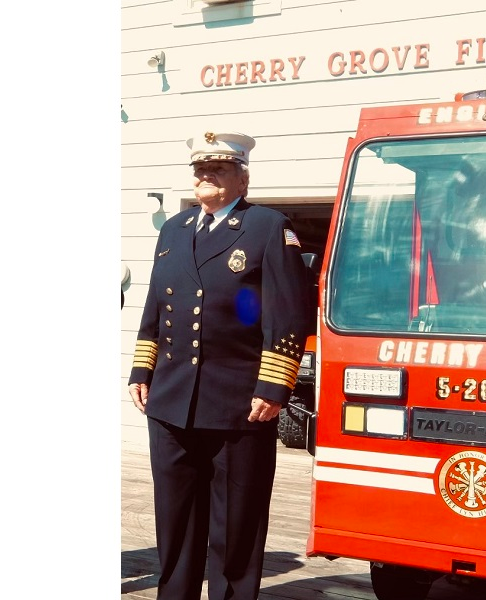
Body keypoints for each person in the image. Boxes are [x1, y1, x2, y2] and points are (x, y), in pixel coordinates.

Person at [128, 130, 311, 600]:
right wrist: (141, 370)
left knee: (235, 523)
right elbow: (156, 305)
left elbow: (287, 311)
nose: (206, 175)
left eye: (220, 168)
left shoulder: (268, 227)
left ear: (243, 178)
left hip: (239, 401)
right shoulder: (174, 229)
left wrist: (274, 387)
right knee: (176, 517)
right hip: (171, 399)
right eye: (200, 168)